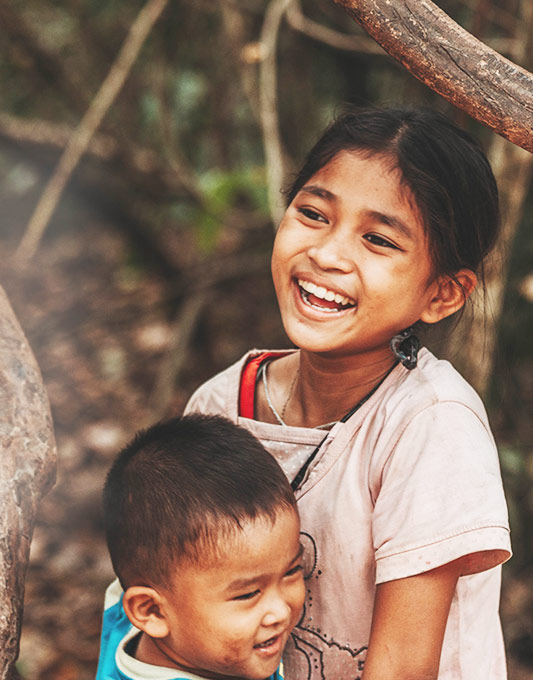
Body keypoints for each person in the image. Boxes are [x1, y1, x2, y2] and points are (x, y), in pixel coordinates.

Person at [184, 107, 512, 680]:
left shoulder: (430, 425)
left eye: (379, 240)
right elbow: (175, 620)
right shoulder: (219, 407)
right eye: (313, 213)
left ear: (442, 294)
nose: (328, 255)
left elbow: (402, 670)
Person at [96, 413, 305, 680]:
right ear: (152, 611)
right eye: (248, 594)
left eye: (292, 571)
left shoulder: (123, 617)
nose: (280, 612)